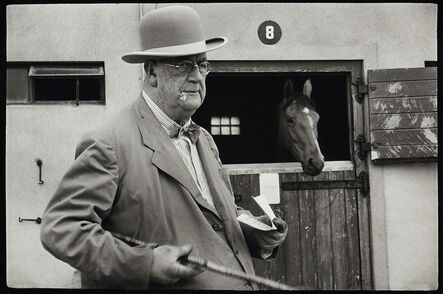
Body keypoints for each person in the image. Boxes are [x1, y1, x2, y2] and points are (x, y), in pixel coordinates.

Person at [40, 5, 288, 290]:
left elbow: (214, 220)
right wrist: (143, 264)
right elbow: (61, 229)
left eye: (202, 64)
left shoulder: (204, 139)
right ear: (152, 72)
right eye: (183, 64)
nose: (197, 76)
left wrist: (256, 235)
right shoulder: (110, 143)